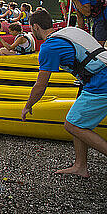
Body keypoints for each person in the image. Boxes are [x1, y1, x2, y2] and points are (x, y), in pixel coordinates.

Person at [22, 9, 107, 178]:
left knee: (71, 125)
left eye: (32, 29)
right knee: (79, 122)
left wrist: (28, 106)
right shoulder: (69, 30)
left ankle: (81, 165)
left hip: (101, 82)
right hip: (96, 76)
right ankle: (80, 166)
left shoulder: (49, 47)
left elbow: (41, 85)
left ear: (36, 27)